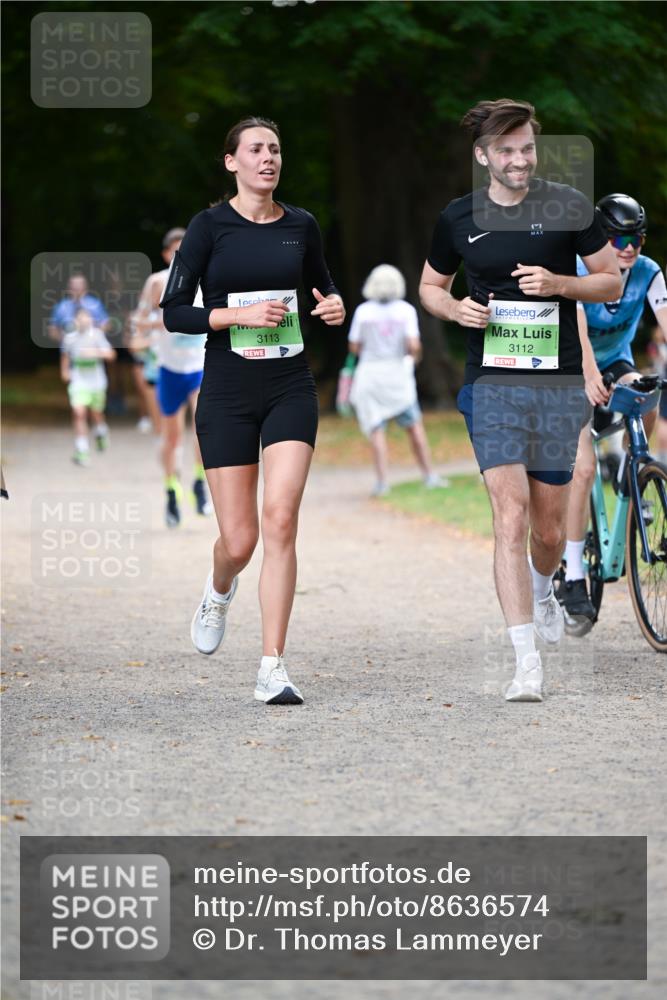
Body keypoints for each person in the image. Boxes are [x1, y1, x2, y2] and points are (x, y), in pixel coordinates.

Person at [419, 98, 621, 703]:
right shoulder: (458, 218)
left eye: (527, 147)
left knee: (550, 531)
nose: (519, 159)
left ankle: (543, 585)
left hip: (557, 386)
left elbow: (610, 279)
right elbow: (431, 285)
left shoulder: (567, 205)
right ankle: (525, 660)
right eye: (506, 150)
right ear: (483, 156)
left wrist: (560, 284)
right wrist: (455, 308)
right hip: (492, 384)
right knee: (509, 515)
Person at [161, 116, 345, 704]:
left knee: (281, 520)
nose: (268, 157)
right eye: (256, 149)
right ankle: (219, 589)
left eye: (275, 148)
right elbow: (173, 312)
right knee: (239, 542)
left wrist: (335, 306)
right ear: (231, 162)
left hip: (290, 385)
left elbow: (323, 286)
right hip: (228, 393)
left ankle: (272, 666)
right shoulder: (208, 227)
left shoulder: (301, 226)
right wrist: (235, 315)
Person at [559, 195, 667, 621]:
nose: (628, 247)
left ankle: (635, 472)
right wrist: (587, 375)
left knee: (647, 394)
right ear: (601, 237)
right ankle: (570, 575)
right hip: (573, 363)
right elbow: (580, 330)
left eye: (636, 238)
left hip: (616, 361)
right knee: (582, 469)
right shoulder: (580, 269)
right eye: (618, 237)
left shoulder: (647, 271)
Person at [131, 228, 211, 527]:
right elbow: (138, 324)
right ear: (166, 255)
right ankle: (171, 490)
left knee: (204, 427)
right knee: (172, 437)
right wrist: (157, 325)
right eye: (176, 251)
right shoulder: (157, 283)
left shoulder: (208, 280)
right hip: (168, 369)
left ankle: (200, 485)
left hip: (200, 367)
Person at [348, 263, 445, 496]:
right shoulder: (405, 311)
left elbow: (354, 346)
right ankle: (429, 475)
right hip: (397, 376)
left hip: (370, 375)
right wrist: (413, 357)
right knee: (414, 427)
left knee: (376, 428)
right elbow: (413, 346)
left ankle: (382, 482)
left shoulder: (363, 311)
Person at [60, 307, 116, 465]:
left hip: (97, 381)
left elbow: (111, 354)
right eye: (80, 318)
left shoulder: (97, 335)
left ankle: (101, 431)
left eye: (87, 317)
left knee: (96, 413)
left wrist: (95, 353)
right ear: (76, 320)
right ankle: (82, 450)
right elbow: (65, 355)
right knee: (79, 413)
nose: (84, 320)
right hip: (79, 380)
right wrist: (64, 371)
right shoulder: (69, 338)